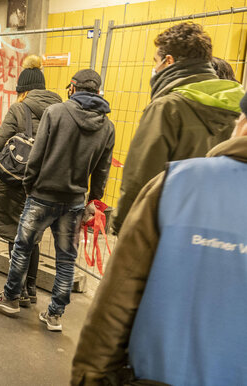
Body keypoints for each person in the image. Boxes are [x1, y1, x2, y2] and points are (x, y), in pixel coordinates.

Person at [70, 96, 247, 386]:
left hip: (157, 375)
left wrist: (90, 377)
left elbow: (119, 295)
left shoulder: (177, 183)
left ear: (242, 123)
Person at [0, 69, 114, 332]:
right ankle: (55, 315)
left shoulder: (55, 113)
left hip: (43, 194)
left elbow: (37, 155)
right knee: (66, 259)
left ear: (73, 88)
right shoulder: (107, 127)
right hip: (75, 201)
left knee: (22, 248)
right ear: (98, 92)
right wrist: (94, 198)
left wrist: (29, 184)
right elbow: (102, 169)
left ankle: (10, 298)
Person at [112, 22, 244, 234]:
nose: (154, 68)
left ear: (168, 61)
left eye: (156, 61)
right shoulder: (240, 108)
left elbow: (140, 178)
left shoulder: (167, 108)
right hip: (221, 231)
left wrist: (122, 225)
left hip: (167, 230)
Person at [0, 55, 62, 306]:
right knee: (34, 236)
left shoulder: (19, 109)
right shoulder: (60, 109)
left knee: (16, 235)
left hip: (16, 182)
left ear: (23, 90)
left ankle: (16, 290)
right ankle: (31, 290)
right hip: (46, 183)